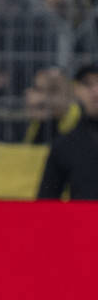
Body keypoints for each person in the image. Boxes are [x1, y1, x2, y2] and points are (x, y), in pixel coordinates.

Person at [37, 63, 98, 199]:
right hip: (83, 213)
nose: (96, 91)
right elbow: (46, 199)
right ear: (77, 90)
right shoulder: (65, 145)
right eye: (88, 84)